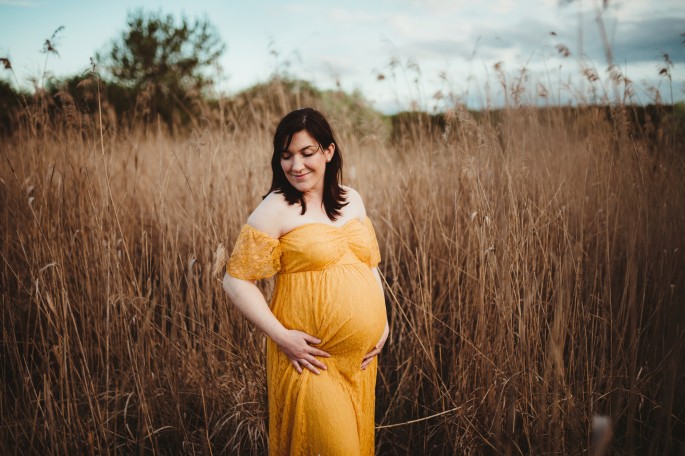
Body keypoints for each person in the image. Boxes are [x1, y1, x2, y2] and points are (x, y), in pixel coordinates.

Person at [222, 107, 389, 455]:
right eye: (286, 156)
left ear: (328, 152)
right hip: (312, 361)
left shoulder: (351, 198)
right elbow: (236, 280)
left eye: (306, 153)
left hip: (359, 363)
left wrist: (383, 324)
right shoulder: (276, 207)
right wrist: (283, 338)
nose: (296, 165)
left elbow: (369, 263)